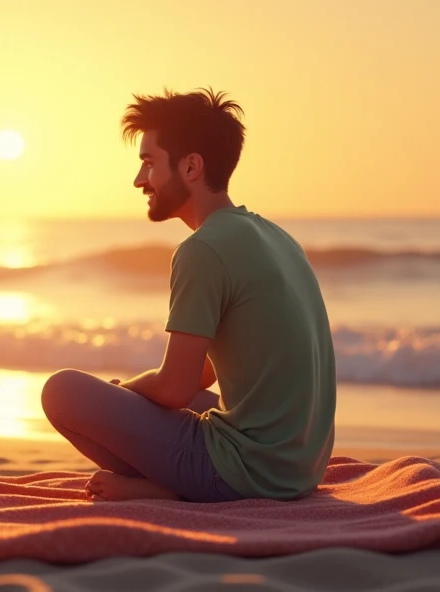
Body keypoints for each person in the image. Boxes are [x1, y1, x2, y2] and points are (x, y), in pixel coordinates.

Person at [41, 89, 336, 503]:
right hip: (300, 466)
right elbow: (202, 377)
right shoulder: (276, 237)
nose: (139, 180)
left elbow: (175, 390)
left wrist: (128, 389)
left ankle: (163, 490)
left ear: (191, 166)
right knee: (183, 401)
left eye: (148, 163)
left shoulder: (203, 249)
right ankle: (165, 478)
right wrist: (133, 396)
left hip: (249, 473)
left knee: (62, 391)